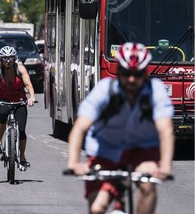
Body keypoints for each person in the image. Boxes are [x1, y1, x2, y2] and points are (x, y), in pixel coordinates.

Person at [67, 42, 175, 214]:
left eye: (137, 74)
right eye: (126, 74)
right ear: (118, 72)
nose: (131, 79)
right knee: (97, 208)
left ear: (145, 73)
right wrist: (74, 163)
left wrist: (165, 166)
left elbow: (166, 130)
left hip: (142, 149)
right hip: (105, 150)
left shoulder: (155, 91)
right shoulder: (104, 90)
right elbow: (80, 127)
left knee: (148, 186)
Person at [0, 46, 36, 171]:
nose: (8, 61)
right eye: (5, 58)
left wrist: (32, 97)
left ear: (14, 58)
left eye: (10, 58)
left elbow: (28, 84)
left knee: (22, 130)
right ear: (1, 59)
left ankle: (23, 156)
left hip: (19, 101)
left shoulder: (20, 69)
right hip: (3, 101)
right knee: (3, 115)